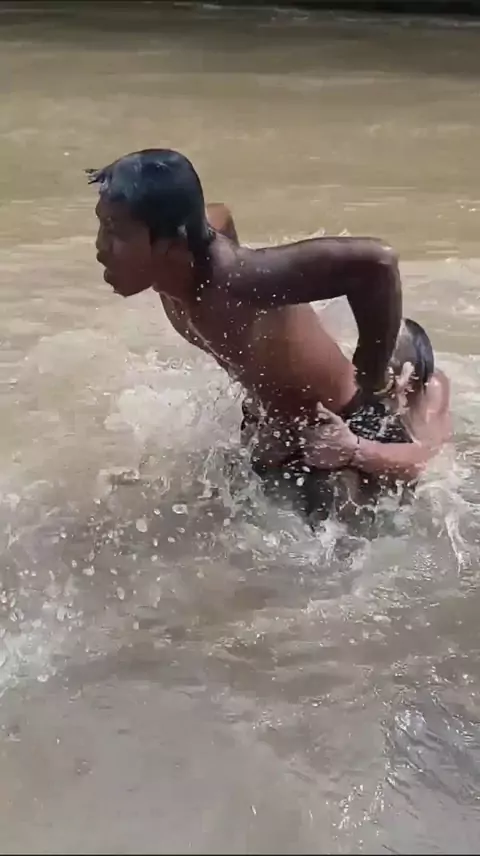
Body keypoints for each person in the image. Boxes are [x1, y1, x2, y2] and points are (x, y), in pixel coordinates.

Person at [88, 148, 451, 521]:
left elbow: (378, 262)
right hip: (275, 433)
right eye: (102, 225)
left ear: (172, 242)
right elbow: (219, 214)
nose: (100, 247)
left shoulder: (241, 280)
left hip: (341, 433)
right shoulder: (177, 264)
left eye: (116, 233)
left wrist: (371, 370)